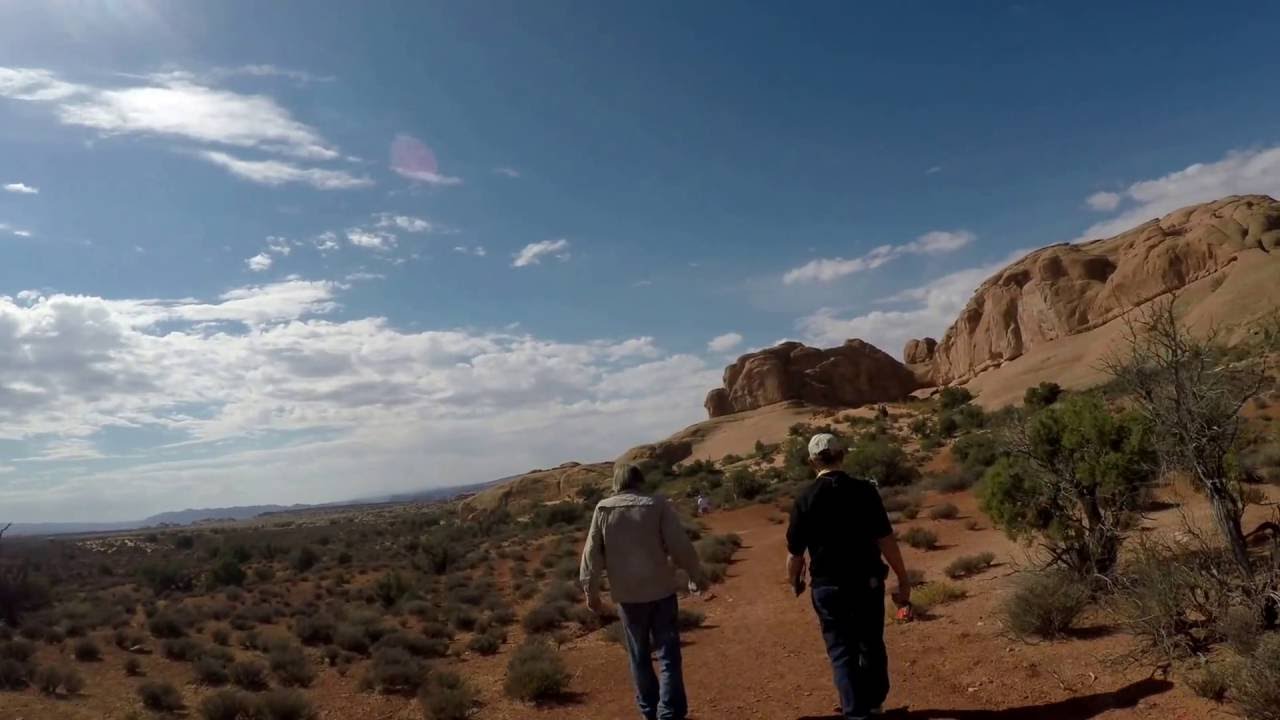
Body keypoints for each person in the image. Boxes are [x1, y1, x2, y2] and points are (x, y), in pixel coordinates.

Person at [786, 433, 911, 720]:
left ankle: (855, 712)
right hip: (866, 583)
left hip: (828, 587)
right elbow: (886, 540)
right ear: (843, 455)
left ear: (811, 461)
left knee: (841, 651)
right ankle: (874, 703)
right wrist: (903, 578)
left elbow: (794, 555)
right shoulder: (865, 491)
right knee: (871, 643)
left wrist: (794, 580)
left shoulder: (805, 498)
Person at [581, 463, 710, 720]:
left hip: (628, 597)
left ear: (617, 483)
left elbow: (591, 556)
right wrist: (695, 576)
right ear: (640, 481)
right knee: (668, 655)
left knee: (639, 656)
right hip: (661, 591)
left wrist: (591, 595)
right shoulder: (657, 504)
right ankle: (669, 713)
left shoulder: (603, 509)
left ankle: (650, 712)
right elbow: (680, 545)